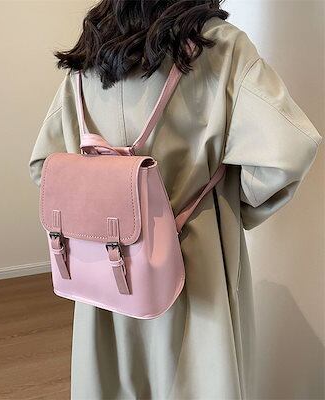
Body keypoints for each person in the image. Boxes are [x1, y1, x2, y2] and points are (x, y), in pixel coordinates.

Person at [28, 1, 322, 398]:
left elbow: (44, 166)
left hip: (103, 267)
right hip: (193, 253)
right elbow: (288, 152)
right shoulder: (218, 45)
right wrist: (232, 204)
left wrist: (99, 200)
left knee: (113, 375)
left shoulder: (91, 51)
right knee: (196, 375)